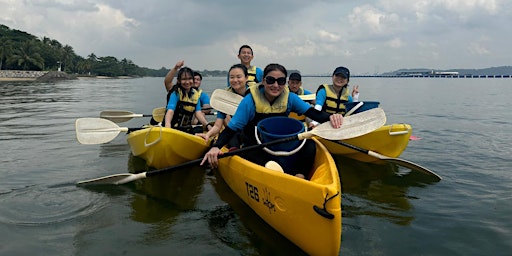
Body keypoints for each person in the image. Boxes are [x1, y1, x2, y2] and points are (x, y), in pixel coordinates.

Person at [201, 63, 344, 178]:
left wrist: (331, 117)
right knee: (248, 152)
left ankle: (300, 176)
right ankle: (276, 172)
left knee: (310, 144)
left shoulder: (289, 98)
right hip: (256, 145)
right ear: (263, 81)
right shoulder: (250, 100)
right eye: (270, 80)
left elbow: (311, 112)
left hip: (280, 143)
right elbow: (232, 128)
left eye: (281, 81)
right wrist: (216, 147)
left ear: (285, 83)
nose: (276, 85)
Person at [196, 64, 249, 148]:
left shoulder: (254, 94)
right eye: (231, 77)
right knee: (232, 142)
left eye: (239, 77)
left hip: (252, 130)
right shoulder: (225, 97)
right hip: (235, 131)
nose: (235, 80)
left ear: (246, 78)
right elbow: (217, 125)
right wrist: (208, 134)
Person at [164, 66, 212, 134]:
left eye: (190, 79)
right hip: (172, 128)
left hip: (185, 128)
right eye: (184, 79)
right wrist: (167, 127)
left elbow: (198, 113)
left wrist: (208, 125)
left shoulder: (195, 95)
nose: (187, 82)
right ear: (179, 80)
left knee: (199, 129)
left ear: (193, 80)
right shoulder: (176, 93)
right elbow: (170, 111)